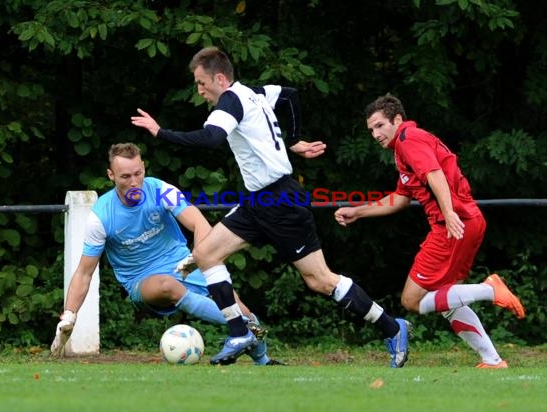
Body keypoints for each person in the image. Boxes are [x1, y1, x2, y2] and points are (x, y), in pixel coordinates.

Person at [131, 46, 410, 367]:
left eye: (201, 83)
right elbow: (289, 95)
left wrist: (160, 132)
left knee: (320, 280)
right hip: (258, 201)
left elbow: (210, 139)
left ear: (220, 78)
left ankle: (392, 327)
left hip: (280, 201)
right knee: (206, 254)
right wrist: (293, 139)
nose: (199, 90)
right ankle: (240, 330)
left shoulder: (232, 100)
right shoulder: (255, 93)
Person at [334, 94, 525, 368]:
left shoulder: (408, 139)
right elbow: (400, 198)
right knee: (445, 298)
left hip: (452, 225)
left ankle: (489, 290)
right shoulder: (404, 148)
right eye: (371, 130)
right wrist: (359, 211)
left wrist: (448, 214)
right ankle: (491, 359)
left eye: (379, 126)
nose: (375, 134)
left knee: (412, 300)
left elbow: (434, 174)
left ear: (397, 120)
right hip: (465, 222)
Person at [50, 142, 281, 366]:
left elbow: (200, 224)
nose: (134, 182)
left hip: (183, 263)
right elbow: (84, 272)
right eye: (125, 177)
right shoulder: (100, 216)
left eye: (137, 173)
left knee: (242, 308)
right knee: (167, 284)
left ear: (143, 168)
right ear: (111, 175)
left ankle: (263, 360)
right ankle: (242, 328)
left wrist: (197, 259)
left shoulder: (160, 190)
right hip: (141, 280)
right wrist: (70, 315)